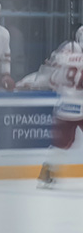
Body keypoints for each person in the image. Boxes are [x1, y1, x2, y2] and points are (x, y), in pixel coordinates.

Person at [38, 26, 83, 188]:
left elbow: (53, 80)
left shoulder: (65, 55)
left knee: (60, 145)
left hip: (65, 106)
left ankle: (47, 174)